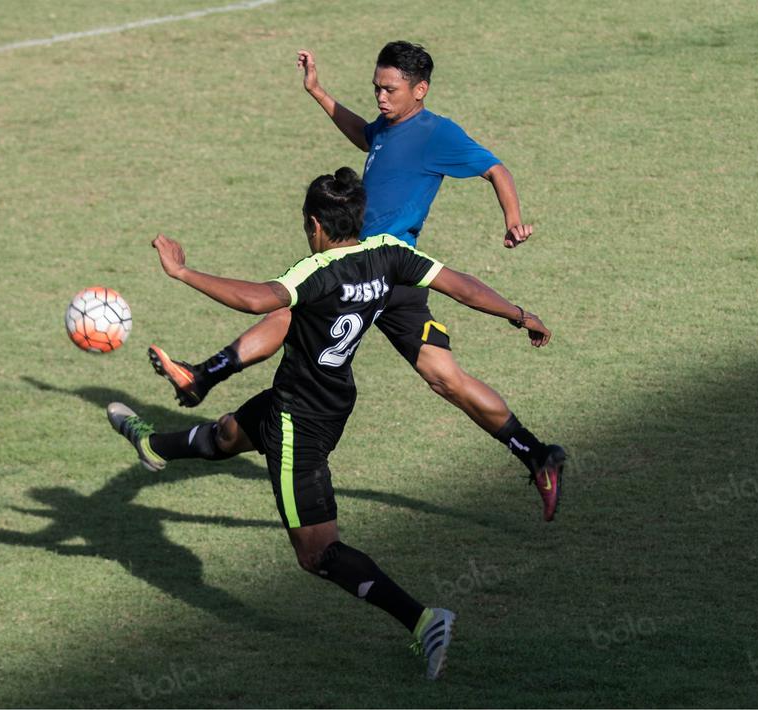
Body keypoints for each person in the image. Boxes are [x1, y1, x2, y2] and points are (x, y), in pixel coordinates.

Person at [108, 168, 554, 680]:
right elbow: (463, 288)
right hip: (330, 398)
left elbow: (259, 300)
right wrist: (519, 315)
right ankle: (154, 444)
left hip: (298, 419)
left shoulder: (314, 271)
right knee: (230, 433)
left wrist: (183, 272)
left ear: (314, 224)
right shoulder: (388, 251)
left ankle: (423, 620)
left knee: (318, 554)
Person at [147, 41, 566, 521]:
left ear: (420, 90)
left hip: (386, 267)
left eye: (389, 90)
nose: (380, 98)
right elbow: (366, 136)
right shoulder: (388, 126)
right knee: (443, 377)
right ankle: (537, 455)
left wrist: (513, 221)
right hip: (370, 264)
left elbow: (496, 168)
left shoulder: (437, 134)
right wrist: (319, 93)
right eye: (376, 88)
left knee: (289, 309)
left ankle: (205, 374)